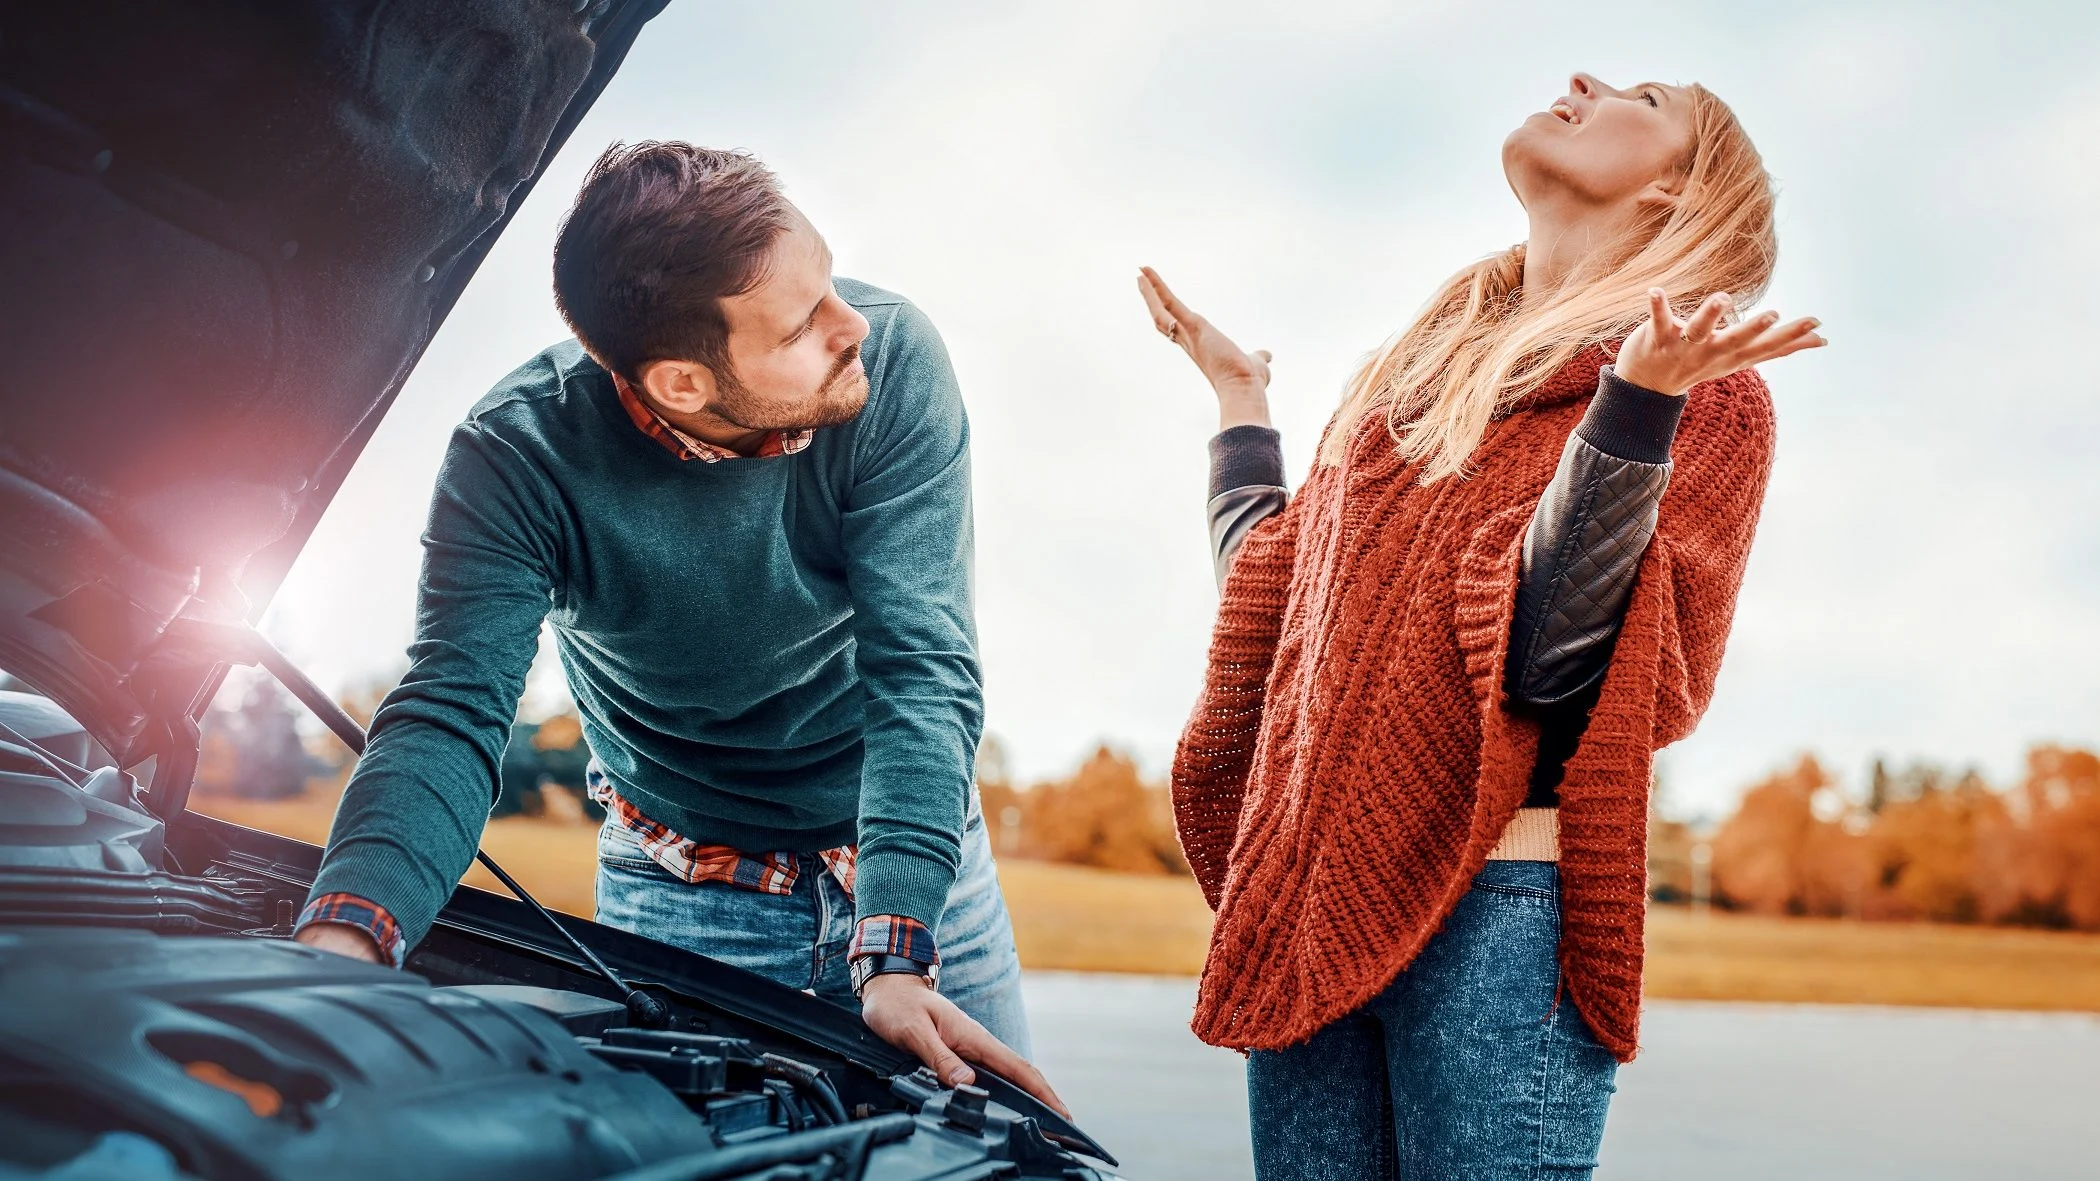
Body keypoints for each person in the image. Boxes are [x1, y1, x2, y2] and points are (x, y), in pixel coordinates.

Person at [1139, 73, 1824, 1178]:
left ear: (1670, 194)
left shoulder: (1710, 397)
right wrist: (1241, 407)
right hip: (1317, 882)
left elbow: (1547, 663)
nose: (1584, 84)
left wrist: (1635, 407)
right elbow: (1280, 610)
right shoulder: (1413, 379)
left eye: (1642, 100)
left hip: (1503, 910)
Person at [292, 141, 1062, 1114]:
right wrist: (342, 946)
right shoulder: (516, 461)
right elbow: (451, 711)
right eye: (801, 322)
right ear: (685, 382)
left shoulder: (895, 364)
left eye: (827, 279)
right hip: (686, 896)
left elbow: (921, 667)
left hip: (920, 869)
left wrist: (899, 941)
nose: (851, 323)